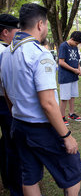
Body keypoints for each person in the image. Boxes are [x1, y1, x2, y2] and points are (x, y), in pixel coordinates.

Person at [0, 3, 81, 196]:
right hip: (41, 128)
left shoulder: (5, 54)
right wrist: (66, 136)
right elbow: (47, 103)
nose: (46, 29)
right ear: (40, 25)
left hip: (19, 125)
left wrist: (17, 115)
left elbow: (6, 93)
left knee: (28, 176)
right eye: (45, 25)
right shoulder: (39, 54)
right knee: (73, 172)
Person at [0, 14, 23, 195]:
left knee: (5, 143)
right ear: (6, 32)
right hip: (4, 102)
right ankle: (16, 187)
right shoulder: (5, 52)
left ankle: (7, 179)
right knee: (12, 144)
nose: (19, 32)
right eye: (17, 30)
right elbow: (7, 84)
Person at [58, 31, 81, 125]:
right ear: (72, 39)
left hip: (74, 76)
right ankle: (61, 117)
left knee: (72, 96)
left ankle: (71, 114)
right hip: (65, 76)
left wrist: (79, 70)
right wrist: (74, 70)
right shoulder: (63, 46)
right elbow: (61, 62)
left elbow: (77, 60)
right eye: (76, 43)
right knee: (65, 97)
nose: (76, 45)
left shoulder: (75, 47)